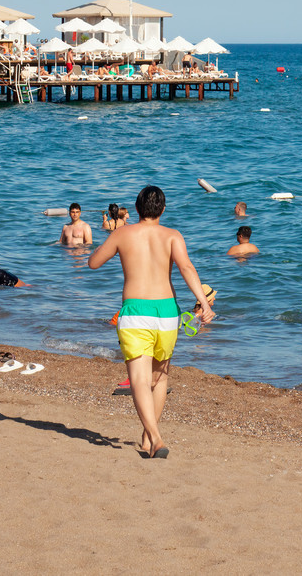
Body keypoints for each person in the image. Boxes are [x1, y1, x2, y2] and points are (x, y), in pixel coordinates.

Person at [88, 185, 214, 459]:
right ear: (163, 209)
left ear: (136, 208)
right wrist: (204, 304)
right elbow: (186, 268)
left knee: (140, 380)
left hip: (135, 311)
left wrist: (113, 240)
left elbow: (93, 263)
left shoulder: (123, 233)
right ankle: (148, 436)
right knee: (160, 377)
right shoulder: (172, 236)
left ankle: (155, 438)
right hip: (168, 313)